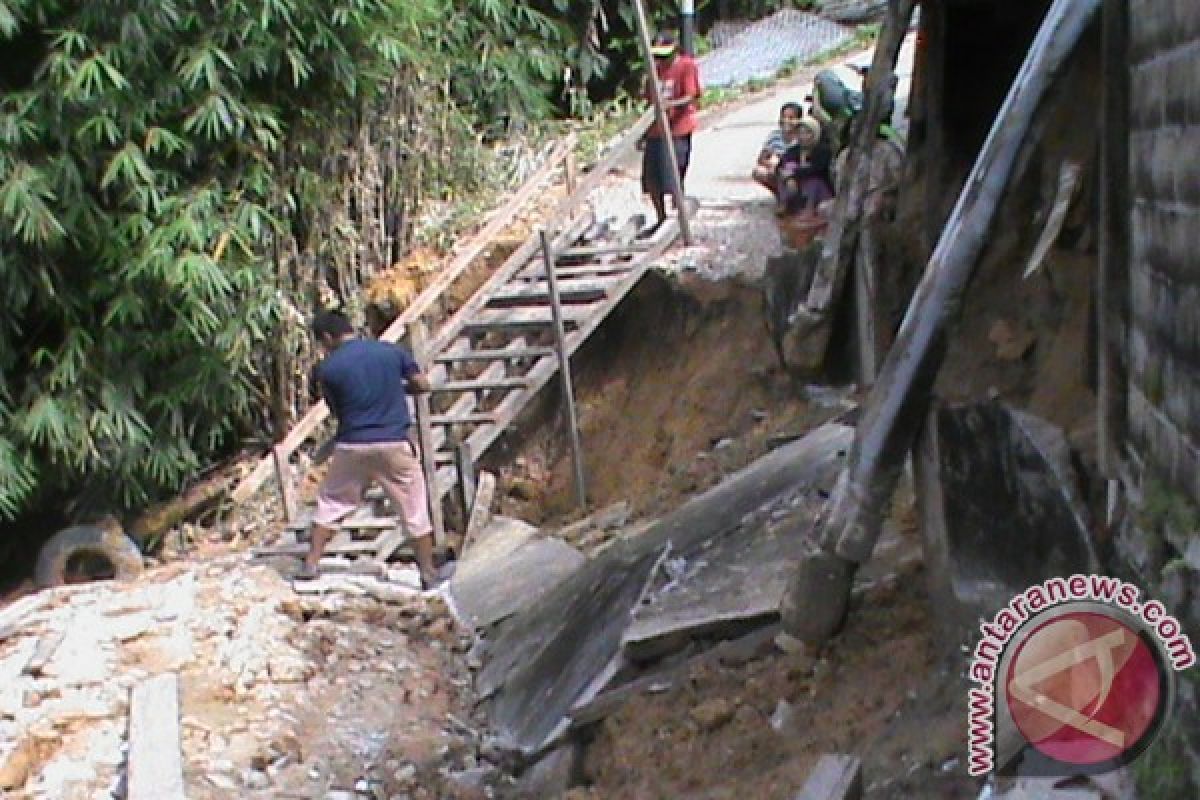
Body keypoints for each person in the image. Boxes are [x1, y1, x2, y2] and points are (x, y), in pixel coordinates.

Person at [300, 311, 450, 590]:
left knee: (332, 503)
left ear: (327, 338)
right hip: (394, 442)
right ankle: (428, 573)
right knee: (414, 507)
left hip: (352, 443)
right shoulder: (391, 352)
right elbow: (422, 385)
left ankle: (311, 564)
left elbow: (336, 411)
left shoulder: (328, 369)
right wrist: (397, 388)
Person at [640, 31, 701, 236]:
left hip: (678, 127)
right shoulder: (653, 70)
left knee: (673, 173)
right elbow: (648, 101)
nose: (661, 59)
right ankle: (661, 218)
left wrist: (670, 105)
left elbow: (691, 95)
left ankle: (679, 219)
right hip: (656, 130)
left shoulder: (686, 66)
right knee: (652, 179)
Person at [775, 115, 834, 217]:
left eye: (807, 133)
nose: (803, 136)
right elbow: (780, 166)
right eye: (800, 133)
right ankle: (785, 203)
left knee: (813, 181)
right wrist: (789, 177)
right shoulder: (793, 150)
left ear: (815, 134)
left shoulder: (823, 151)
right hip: (797, 187)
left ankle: (809, 208)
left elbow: (817, 170)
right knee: (788, 166)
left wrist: (793, 174)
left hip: (819, 190)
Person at [753, 101, 804, 195]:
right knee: (758, 172)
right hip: (777, 170)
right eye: (783, 117)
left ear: (799, 120)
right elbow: (761, 158)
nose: (786, 121)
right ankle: (779, 194)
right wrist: (773, 164)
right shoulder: (775, 136)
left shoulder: (803, 136)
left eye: (791, 118)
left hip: (796, 171)